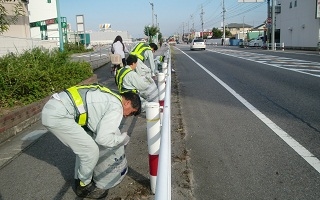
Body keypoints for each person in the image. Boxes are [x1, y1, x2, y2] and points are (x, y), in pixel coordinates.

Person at [41, 84, 141, 199]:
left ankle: (80, 178)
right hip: (59, 115)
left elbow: (96, 125)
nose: (128, 116)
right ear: (127, 103)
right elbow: (103, 139)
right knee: (90, 150)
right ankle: (84, 187)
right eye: (132, 112)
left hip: (55, 108)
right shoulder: (117, 107)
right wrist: (122, 139)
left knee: (84, 147)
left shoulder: (110, 97)